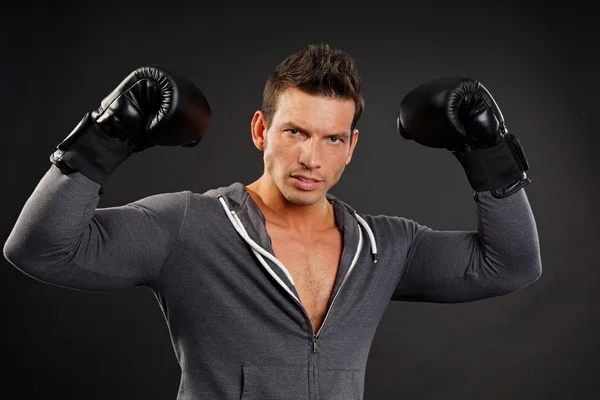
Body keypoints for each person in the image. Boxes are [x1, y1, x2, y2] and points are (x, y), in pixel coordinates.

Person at [3, 44, 542, 399]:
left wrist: (489, 153)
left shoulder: (384, 246)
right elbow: (40, 249)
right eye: (296, 132)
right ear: (261, 130)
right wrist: (103, 139)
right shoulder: (188, 225)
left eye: (332, 138)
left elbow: (510, 265)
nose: (312, 158)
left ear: (351, 147)